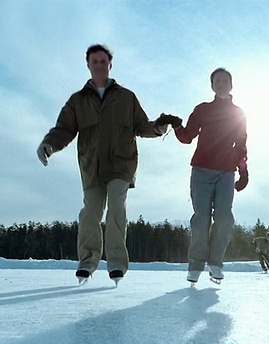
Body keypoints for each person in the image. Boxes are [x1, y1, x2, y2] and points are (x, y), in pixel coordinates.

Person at [36, 44, 182, 285]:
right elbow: (64, 129)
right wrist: (48, 145)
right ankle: (87, 262)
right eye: (95, 61)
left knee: (116, 208)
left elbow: (141, 126)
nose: (100, 65)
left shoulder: (126, 97)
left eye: (104, 61)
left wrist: (159, 126)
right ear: (88, 65)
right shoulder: (78, 101)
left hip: (121, 164)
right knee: (90, 213)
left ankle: (116, 264)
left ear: (110, 65)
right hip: (91, 164)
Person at [172, 68, 248, 283]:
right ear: (212, 85)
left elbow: (241, 146)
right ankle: (195, 266)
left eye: (225, 80)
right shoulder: (203, 110)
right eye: (218, 81)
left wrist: (243, 171)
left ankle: (215, 263)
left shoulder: (239, 114)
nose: (222, 84)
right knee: (201, 220)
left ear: (231, 85)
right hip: (201, 171)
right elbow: (187, 136)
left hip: (225, 172)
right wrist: (177, 125)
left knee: (224, 218)